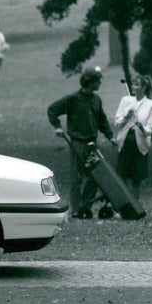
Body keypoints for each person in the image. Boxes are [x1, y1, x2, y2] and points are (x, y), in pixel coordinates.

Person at [47, 67, 116, 219]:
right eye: (98, 80)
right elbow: (52, 110)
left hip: (93, 143)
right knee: (76, 177)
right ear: (89, 82)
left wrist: (110, 136)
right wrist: (57, 127)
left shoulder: (96, 99)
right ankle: (75, 209)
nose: (100, 83)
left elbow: (102, 120)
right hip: (78, 142)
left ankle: (86, 206)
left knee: (95, 176)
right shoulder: (73, 99)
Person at [113, 74, 152, 200]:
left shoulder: (151, 105)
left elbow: (149, 130)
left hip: (140, 145)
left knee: (136, 178)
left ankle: (135, 205)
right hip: (125, 142)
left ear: (144, 88)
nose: (133, 87)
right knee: (122, 176)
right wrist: (126, 117)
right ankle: (123, 204)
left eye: (137, 84)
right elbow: (117, 124)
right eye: (132, 84)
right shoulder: (126, 101)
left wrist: (141, 127)